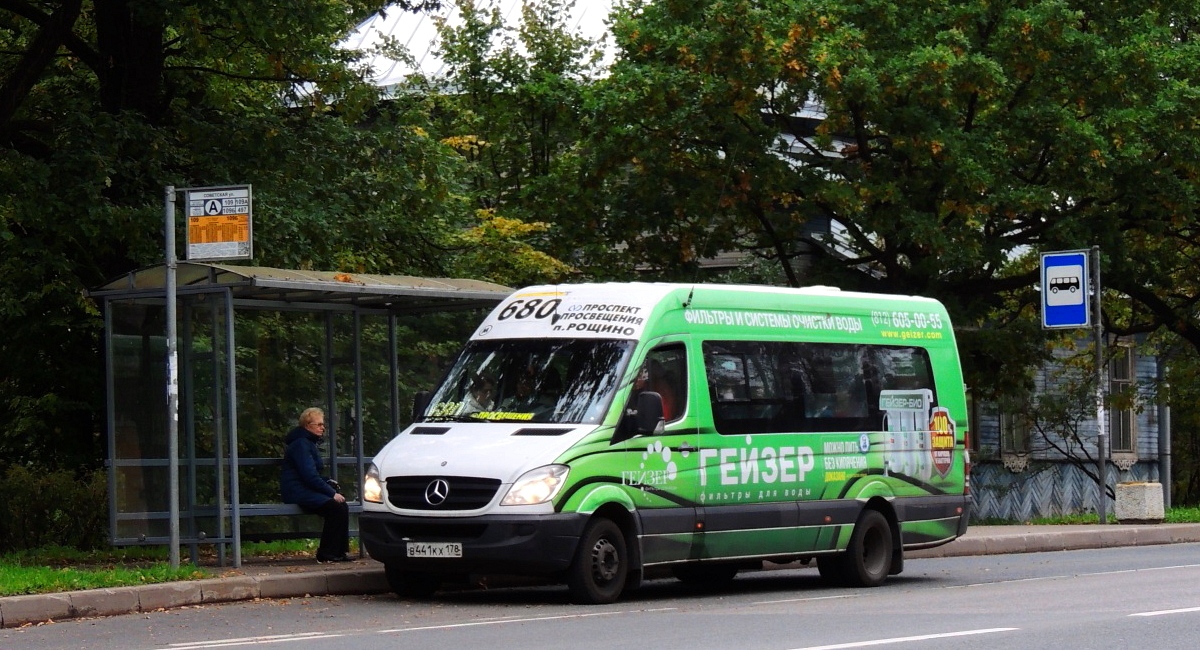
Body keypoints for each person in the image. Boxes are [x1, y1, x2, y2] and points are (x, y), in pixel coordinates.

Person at [281, 407, 351, 563]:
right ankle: (326, 553)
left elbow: (311, 474)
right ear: (307, 425)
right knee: (335, 507)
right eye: (318, 424)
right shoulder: (301, 444)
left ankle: (339, 551)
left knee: (341, 506)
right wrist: (331, 493)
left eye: (322, 424)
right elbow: (308, 475)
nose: (323, 427)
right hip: (297, 491)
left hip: (304, 488)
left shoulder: (307, 443)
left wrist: (327, 482)